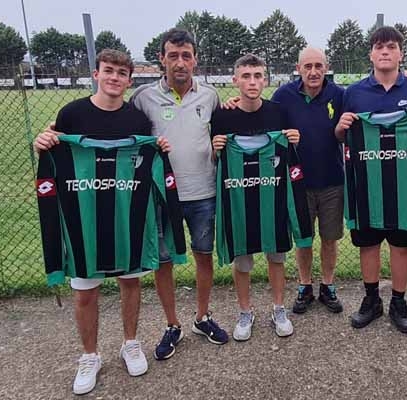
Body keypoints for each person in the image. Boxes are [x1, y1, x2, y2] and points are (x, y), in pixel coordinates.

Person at [33, 49, 169, 395]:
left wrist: (159, 147)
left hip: (127, 215)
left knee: (130, 282)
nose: (114, 78)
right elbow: (55, 149)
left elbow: (148, 158)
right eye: (108, 71)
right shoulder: (71, 114)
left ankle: (130, 343)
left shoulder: (137, 121)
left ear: (129, 80)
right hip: (84, 218)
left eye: (122, 73)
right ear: (96, 74)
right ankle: (89, 356)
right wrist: (42, 143)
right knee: (84, 292)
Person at [335, 27, 407, 333]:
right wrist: (342, 127)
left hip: (404, 188)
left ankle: (398, 300)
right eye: (379, 47)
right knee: (368, 245)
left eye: (391, 47)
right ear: (371, 54)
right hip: (366, 186)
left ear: (400, 53)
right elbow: (341, 138)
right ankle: (371, 300)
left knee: (401, 246)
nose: (385, 52)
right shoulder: (353, 93)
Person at [130, 28, 229, 356]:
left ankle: (202, 317)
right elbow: (122, 131)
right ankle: (172, 324)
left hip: (203, 193)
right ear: (162, 59)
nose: (180, 62)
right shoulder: (143, 97)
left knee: (203, 255)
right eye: (173, 55)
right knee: (164, 262)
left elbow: (222, 135)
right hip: (161, 196)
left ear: (195, 60)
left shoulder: (210, 96)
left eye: (186, 56)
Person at [211, 54, 301, 341]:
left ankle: (278, 308)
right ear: (235, 80)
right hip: (237, 197)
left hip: (272, 197)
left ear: (266, 80)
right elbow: (216, 161)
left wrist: (295, 140)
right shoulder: (222, 115)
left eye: (258, 76)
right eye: (246, 76)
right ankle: (245, 311)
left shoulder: (279, 113)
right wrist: (215, 148)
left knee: (277, 256)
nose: (252, 82)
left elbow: (291, 155)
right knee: (242, 260)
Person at [270, 46, 345, 315]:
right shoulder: (283, 95)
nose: (313, 72)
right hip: (297, 182)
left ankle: (328, 285)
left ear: (326, 67)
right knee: (303, 239)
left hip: (332, 180)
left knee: (329, 238)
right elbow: (265, 122)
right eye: (308, 66)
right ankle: (305, 285)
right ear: (298, 69)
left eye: (318, 66)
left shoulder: (339, 95)